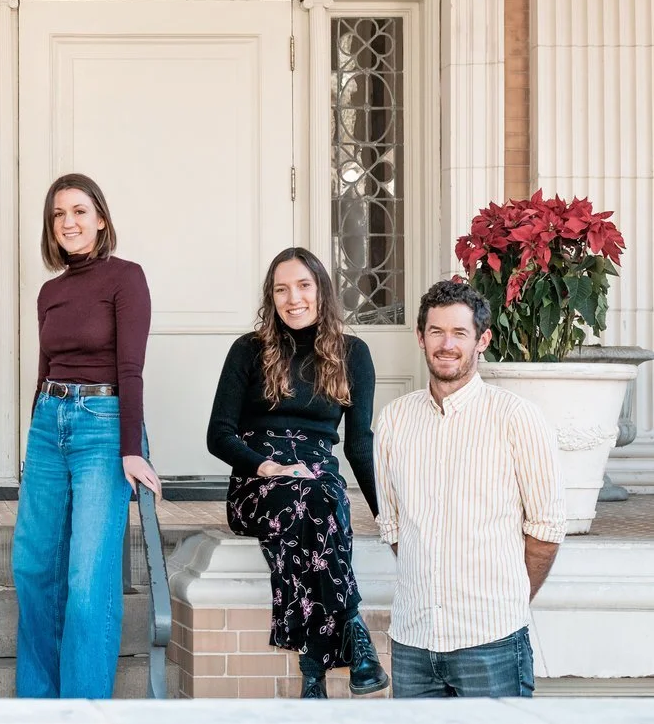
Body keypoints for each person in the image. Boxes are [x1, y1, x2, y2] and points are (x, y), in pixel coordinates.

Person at [207, 247, 388, 699]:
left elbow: (359, 444)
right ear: (271, 297)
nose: (294, 298)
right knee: (307, 502)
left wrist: (388, 512)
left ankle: (313, 670)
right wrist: (267, 466)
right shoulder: (248, 350)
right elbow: (219, 435)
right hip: (257, 481)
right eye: (281, 289)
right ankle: (350, 627)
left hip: (318, 482)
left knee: (316, 501)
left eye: (304, 286)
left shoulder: (353, 353)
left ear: (322, 291)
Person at [374, 280, 566, 698]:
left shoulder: (517, 418)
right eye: (437, 332)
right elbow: (393, 525)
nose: (447, 344)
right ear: (420, 337)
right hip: (413, 642)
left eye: (459, 333)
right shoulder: (392, 421)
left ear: (483, 340)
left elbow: (546, 531)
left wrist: (509, 596)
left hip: (492, 641)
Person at [12, 173, 159, 699]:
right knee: (31, 566)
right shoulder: (50, 291)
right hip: (50, 425)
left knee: (86, 580)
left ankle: (83, 714)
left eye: (78, 211)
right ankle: (37, 708)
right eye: (58, 215)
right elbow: (44, 367)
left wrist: (131, 449)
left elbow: (131, 368)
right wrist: (34, 439)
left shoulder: (126, 278)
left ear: (100, 217)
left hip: (102, 424)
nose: (68, 223)